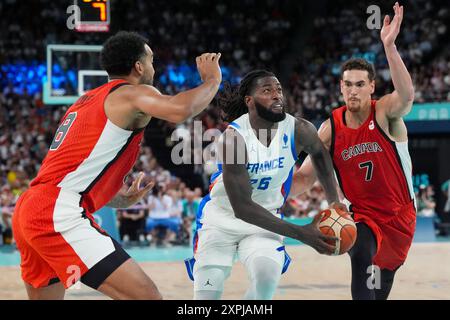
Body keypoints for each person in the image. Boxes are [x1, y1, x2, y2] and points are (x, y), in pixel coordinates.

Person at [12, 31, 222, 300]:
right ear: (139, 66)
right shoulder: (132, 94)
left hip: (31, 208)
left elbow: (71, 171)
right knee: (147, 297)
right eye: (151, 61)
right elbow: (181, 109)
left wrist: (113, 197)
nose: (153, 68)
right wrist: (213, 79)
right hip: (55, 213)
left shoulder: (85, 101)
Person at [185, 70, 344, 300]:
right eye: (267, 91)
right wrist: (302, 233)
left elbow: (319, 155)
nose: (277, 95)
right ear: (249, 101)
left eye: (278, 90)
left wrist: (334, 202)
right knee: (207, 296)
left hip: (266, 219)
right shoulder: (234, 139)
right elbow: (242, 208)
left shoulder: (299, 128)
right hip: (221, 219)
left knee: (266, 280)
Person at [293, 3, 416, 300]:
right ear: (340, 87)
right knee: (359, 250)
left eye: (360, 84)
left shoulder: (385, 113)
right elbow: (304, 179)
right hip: (363, 218)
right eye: (347, 84)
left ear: (372, 87)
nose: (353, 91)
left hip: (400, 218)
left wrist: (389, 47)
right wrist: (260, 193)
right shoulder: (330, 129)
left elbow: (407, 96)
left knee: (378, 286)